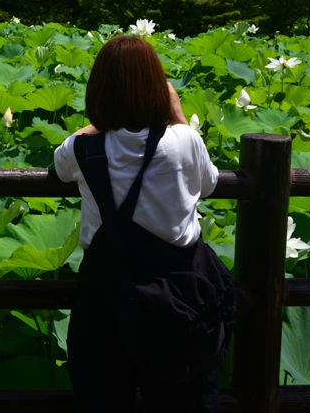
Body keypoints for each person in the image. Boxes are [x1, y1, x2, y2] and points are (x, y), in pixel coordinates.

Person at [53, 35, 221, 412]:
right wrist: (177, 115)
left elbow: (62, 168)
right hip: (177, 298)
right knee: (183, 402)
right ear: (158, 88)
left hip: (104, 299)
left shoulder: (79, 150)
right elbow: (209, 183)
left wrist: (99, 122)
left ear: (98, 91)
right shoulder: (184, 141)